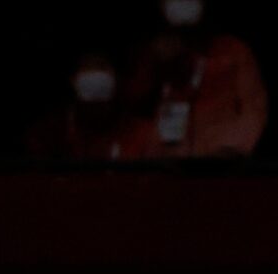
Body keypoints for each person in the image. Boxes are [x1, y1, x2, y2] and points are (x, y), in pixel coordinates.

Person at [125, 0, 268, 158]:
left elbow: (254, 109)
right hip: (168, 164)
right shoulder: (155, 56)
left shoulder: (233, 52)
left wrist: (233, 150)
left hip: (222, 163)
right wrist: (156, 67)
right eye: (181, 32)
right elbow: (132, 110)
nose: (188, 38)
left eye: (191, 31)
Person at [30, 51, 151, 161]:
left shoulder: (141, 134)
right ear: (73, 83)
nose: (96, 110)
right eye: (90, 103)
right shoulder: (49, 133)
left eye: (102, 101)